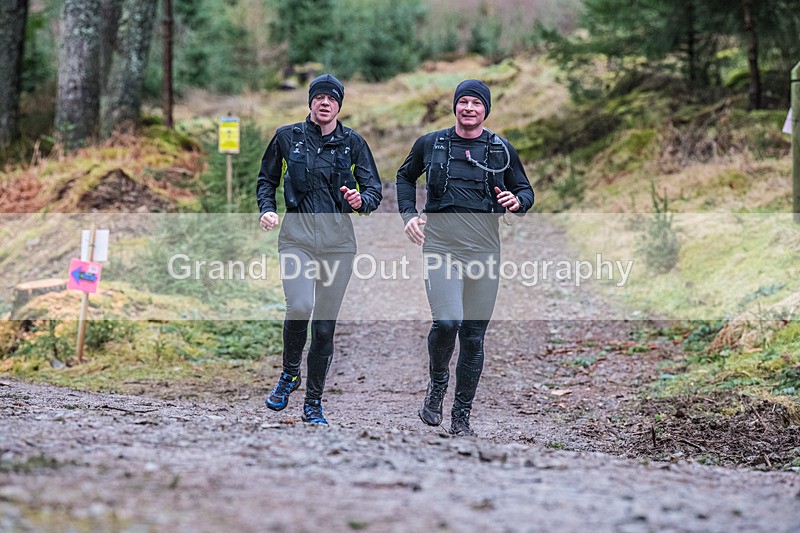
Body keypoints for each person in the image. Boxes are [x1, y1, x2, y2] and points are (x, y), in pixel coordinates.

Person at [396, 79, 534, 437]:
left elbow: (525, 190)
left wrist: (517, 202)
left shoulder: (501, 149)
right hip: (441, 247)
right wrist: (409, 214)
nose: (469, 108)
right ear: (455, 106)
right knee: (447, 321)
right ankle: (437, 385)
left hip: (484, 252)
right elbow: (404, 177)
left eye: (476, 103)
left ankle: (461, 417)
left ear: (486, 109)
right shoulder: (431, 144)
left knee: (473, 336)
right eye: (463, 102)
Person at [257, 74, 382, 425]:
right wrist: (267, 209)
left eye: (331, 98)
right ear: (310, 102)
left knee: (324, 327)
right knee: (299, 306)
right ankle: (289, 373)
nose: (324, 103)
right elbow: (266, 179)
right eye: (319, 97)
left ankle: (313, 403)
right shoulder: (288, 137)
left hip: (338, 244)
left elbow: (373, 190)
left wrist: (361, 201)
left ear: (339, 105)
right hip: (296, 238)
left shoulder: (353, 143)